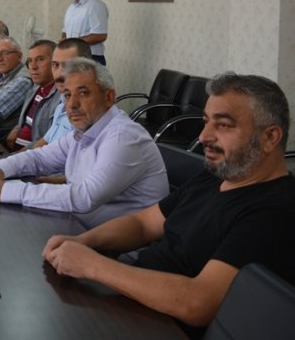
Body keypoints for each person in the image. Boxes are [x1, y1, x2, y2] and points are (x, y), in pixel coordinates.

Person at [43, 73, 295, 333]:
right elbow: (144, 223)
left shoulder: (276, 210)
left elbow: (198, 302)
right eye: (206, 122)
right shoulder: (217, 175)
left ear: (270, 137)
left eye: (223, 125)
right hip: (134, 304)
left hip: (166, 327)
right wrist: (85, 242)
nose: (204, 136)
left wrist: (93, 265)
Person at [0, 58, 168, 227]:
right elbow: (39, 157)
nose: (71, 105)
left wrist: (4, 190)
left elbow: (84, 198)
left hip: (121, 250)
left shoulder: (123, 137)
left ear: (109, 97)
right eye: (67, 95)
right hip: (77, 228)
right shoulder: (84, 130)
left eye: (83, 93)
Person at [32, 38, 93, 149]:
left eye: (67, 66)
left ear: (86, 67)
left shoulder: (90, 111)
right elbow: (45, 141)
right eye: (55, 65)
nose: (59, 73)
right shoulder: (61, 105)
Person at [4, 40, 59, 151]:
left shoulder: (62, 97)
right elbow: (27, 120)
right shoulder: (35, 88)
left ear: (55, 63)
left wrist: (18, 156)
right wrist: (16, 129)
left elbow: (50, 140)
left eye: (40, 59)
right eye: (30, 61)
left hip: (33, 157)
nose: (33, 67)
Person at [62, 0, 108, 65]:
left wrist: (73, 43)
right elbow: (65, 32)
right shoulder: (71, 7)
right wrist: (63, 44)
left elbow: (99, 35)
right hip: (71, 56)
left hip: (90, 58)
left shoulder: (96, 6)